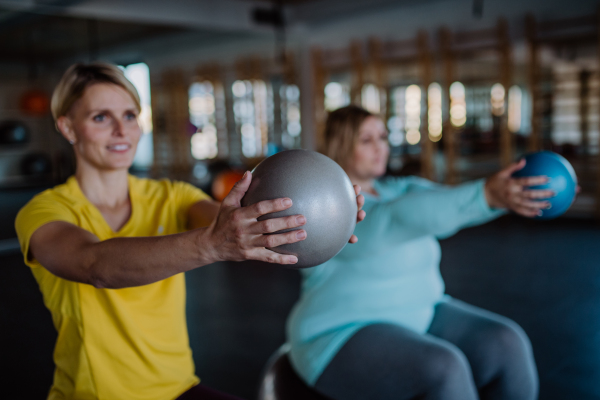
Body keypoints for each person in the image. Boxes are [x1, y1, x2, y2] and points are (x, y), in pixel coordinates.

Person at [14, 63, 364, 400]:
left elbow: (234, 221)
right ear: (68, 128)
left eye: (130, 115)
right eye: (100, 117)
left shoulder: (171, 196)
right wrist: (211, 245)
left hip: (178, 389)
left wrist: (321, 215)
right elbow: (95, 265)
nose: (121, 131)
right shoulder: (45, 212)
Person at [286, 105, 544, 400]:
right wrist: (485, 195)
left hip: (422, 311)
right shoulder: (324, 209)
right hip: (338, 333)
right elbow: (396, 219)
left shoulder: (401, 188)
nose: (379, 148)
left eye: (382, 137)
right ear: (340, 145)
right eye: (366, 140)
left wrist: (507, 197)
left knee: (507, 341)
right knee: (445, 368)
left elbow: (451, 207)